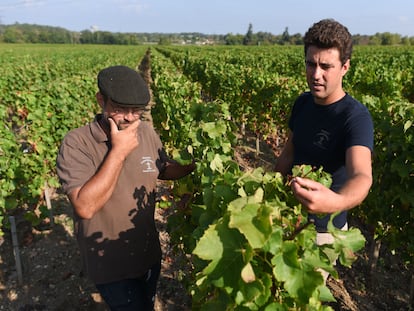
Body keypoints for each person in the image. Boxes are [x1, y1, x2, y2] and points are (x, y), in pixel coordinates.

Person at [56, 65, 195, 310]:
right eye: (120, 109)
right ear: (101, 100)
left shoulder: (146, 132)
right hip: (110, 266)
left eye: (137, 111)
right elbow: (85, 207)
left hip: (148, 254)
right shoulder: (77, 143)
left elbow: (162, 168)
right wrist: (119, 151)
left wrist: (193, 168)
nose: (130, 118)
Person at [274, 19, 373, 279]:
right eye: (311, 63)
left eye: (326, 66)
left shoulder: (355, 117)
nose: (316, 74)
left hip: (322, 234)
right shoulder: (303, 104)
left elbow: (361, 176)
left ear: (345, 67)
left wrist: (336, 202)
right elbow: (289, 153)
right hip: (286, 221)